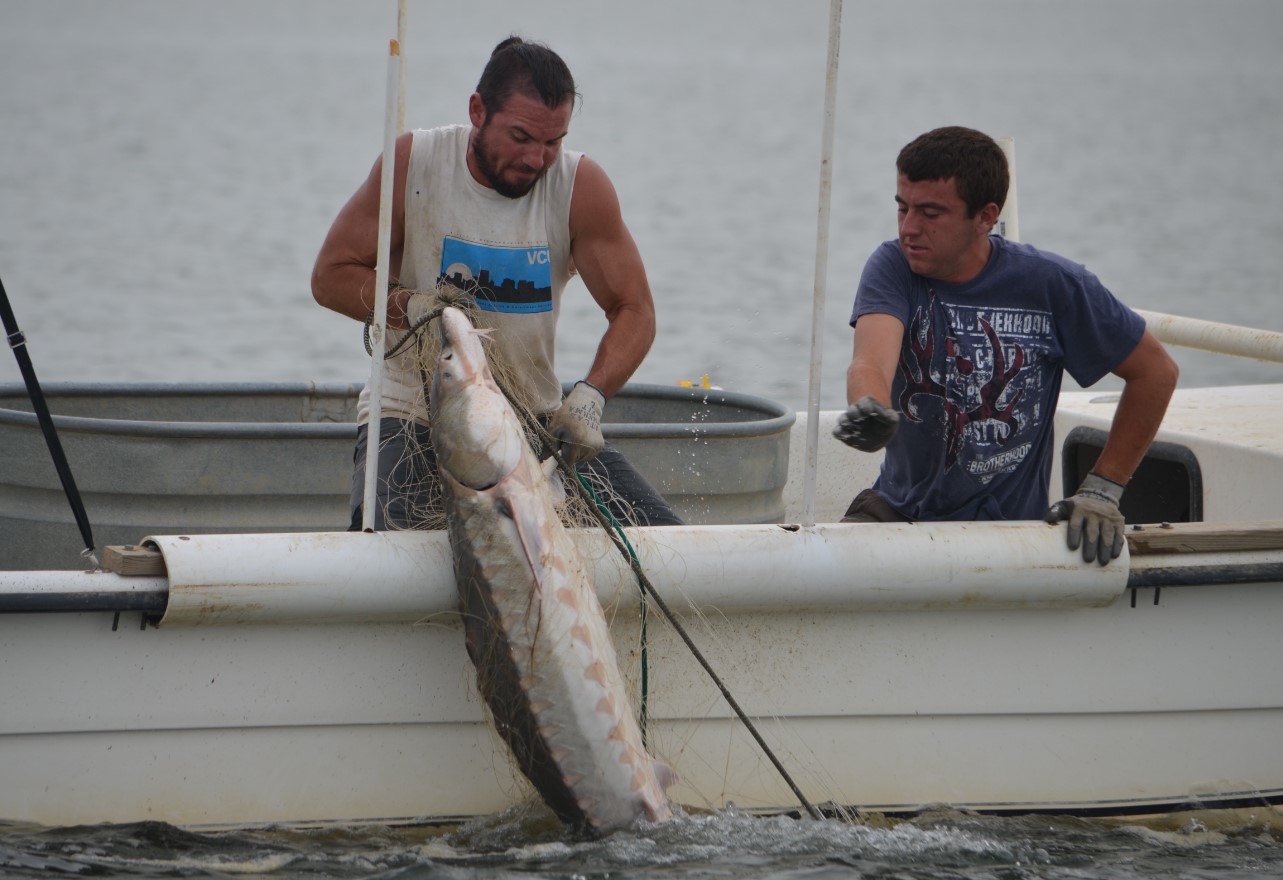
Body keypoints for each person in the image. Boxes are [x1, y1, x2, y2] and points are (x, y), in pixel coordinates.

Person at [312, 36, 681, 530]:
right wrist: (415, 309)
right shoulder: (414, 162)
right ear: (478, 111)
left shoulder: (579, 187)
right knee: (387, 554)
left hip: (532, 420)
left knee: (666, 542)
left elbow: (635, 309)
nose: (536, 159)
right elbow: (330, 276)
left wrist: (590, 399)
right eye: (521, 137)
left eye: (553, 142)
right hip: (412, 414)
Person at [834, 126, 1178, 566]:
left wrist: (1103, 490)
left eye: (930, 213)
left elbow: (1155, 372)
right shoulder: (893, 266)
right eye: (902, 208)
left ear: (985, 217)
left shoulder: (1054, 285)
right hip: (897, 514)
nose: (908, 228)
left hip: (1012, 534)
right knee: (821, 573)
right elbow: (870, 362)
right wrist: (869, 407)